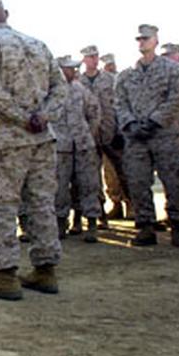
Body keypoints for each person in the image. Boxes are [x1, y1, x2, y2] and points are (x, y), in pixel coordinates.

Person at [0, 0, 66, 301]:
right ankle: (45, 270)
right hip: (41, 138)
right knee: (40, 202)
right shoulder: (38, 45)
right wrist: (42, 116)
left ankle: (5, 275)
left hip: (6, 140)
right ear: (7, 14)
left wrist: (23, 118)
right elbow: (60, 88)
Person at [114, 24, 179, 247]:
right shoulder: (127, 75)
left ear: (156, 41)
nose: (142, 42)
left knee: (173, 181)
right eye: (139, 39)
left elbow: (176, 100)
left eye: (146, 39)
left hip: (164, 135)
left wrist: (154, 121)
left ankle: (176, 226)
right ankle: (145, 227)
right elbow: (119, 103)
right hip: (136, 139)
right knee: (138, 181)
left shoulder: (173, 71)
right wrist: (131, 124)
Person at [52, 56, 101, 242]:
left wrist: (88, 134)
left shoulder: (81, 90)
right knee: (60, 188)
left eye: (74, 68)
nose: (73, 71)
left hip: (83, 146)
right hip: (60, 147)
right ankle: (61, 223)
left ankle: (91, 224)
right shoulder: (51, 91)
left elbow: (94, 112)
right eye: (69, 68)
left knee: (88, 185)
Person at [79, 45, 128, 225]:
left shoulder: (110, 79)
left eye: (95, 56)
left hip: (111, 131)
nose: (92, 59)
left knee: (122, 171)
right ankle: (100, 212)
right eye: (89, 57)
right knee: (93, 176)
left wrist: (119, 130)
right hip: (89, 134)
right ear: (84, 60)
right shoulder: (79, 82)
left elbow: (120, 104)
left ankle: (131, 206)